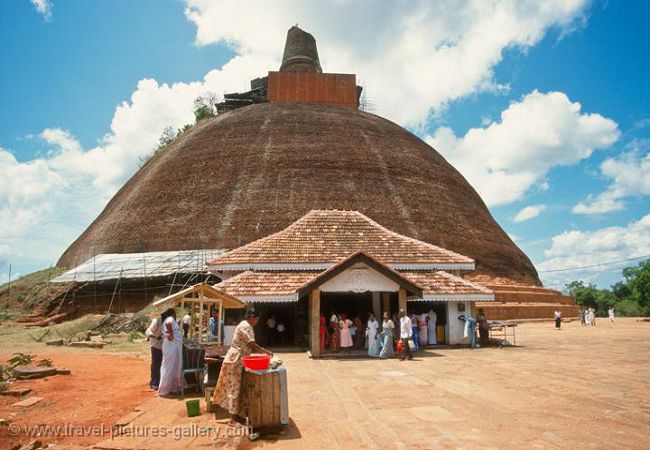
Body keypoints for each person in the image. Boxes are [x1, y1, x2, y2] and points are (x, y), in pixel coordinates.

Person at [213, 307, 272, 425]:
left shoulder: (244, 324)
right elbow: (251, 343)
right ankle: (232, 419)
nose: (257, 322)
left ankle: (237, 416)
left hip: (237, 360)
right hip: (235, 361)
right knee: (234, 388)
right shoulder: (246, 326)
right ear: (252, 317)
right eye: (257, 319)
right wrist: (265, 352)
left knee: (239, 388)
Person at [158, 308, 183, 397]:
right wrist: (170, 334)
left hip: (172, 345)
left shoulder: (170, 320)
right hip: (170, 345)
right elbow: (169, 324)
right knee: (168, 366)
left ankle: (172, 387)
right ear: (173, 313)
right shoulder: (170, 319)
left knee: (173, 366)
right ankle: (163, 390)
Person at [145, 313, 163, 390]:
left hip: (162, 346)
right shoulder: (157, 320)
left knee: (161, 365)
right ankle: (154, 382)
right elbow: (148, 331)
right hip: (155, 345)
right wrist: (156, 337)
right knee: (156, 364)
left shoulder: (166, 321)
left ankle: (159, 382)